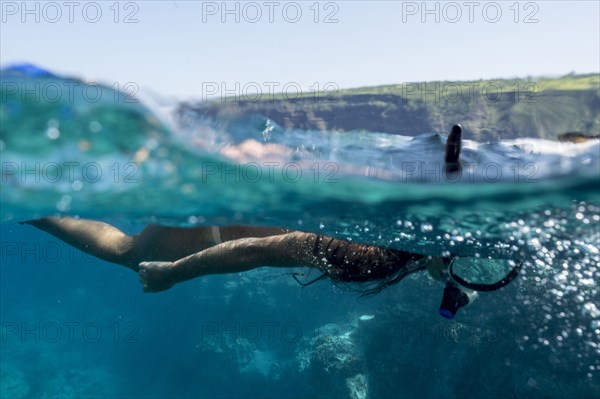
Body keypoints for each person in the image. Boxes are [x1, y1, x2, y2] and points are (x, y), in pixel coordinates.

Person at [25, 125, 504, 318]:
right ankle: (28, 199)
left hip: (245, 176)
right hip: (214, 227)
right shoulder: (368, 253)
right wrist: (173, 274)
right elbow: (256, 251)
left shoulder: (419, 207)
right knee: (129, 253)